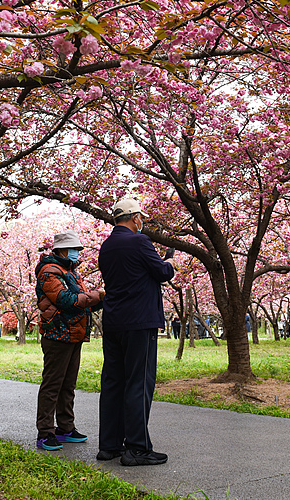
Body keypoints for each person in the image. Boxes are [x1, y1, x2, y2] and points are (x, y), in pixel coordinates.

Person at [97, 197, 175, 466]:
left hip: (114, 322)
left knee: (113, 382)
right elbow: (161, 273)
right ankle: (137, 449)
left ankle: (109, 445)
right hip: (139, 322)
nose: (142, 222)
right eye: (141, 217)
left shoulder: (106, 247)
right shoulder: (140, 241)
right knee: (139, 383)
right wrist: (169, 263)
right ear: (134, 218)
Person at [34, 230, 105, 452]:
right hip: (57, 335)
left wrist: (102, 298)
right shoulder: (49, 272)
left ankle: (65, 428)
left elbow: (82, 303)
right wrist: (98, 295)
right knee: (53, 384)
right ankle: (45, 432)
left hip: (74, 333)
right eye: (74, 249)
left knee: (68, 385)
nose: (76, 253)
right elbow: (66, 300)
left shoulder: (71, 273)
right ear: (61, 250)